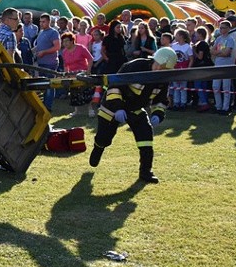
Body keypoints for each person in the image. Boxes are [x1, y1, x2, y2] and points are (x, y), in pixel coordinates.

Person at [89, 46, 177, 184]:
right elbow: (114, 87)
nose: (159, 70)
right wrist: (118, 108)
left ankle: (146, 172)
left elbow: (160, 100)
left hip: (135, 108)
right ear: (153, 60)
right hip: (113, 106)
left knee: (146, 137)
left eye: (163, 69)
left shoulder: (163, 78)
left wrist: (158, 114)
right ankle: (98, 148)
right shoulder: (135, 66)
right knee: (104, 137)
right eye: (158, 66)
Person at [61, 32, 94, 117]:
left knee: (86, 91)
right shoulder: (64, 52)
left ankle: (90, 109)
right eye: (63, 41)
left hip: (83, 74)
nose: (65, 43)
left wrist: (88, 70)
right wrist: (66, 75)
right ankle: (76, 110)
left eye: (67, 41)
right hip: (72, 75)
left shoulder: (81, 48)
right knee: (74, 92)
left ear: (72, 41)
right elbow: (65, 65)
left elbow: (90, 58)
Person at [33, 13, 61, 112]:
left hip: (50, 63)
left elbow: (57, 47)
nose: (41, 23)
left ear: (49, 22)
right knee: (43, 85)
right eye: (40, 21)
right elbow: (40, 45)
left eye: (43, 22)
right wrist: (33, 50)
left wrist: (44, 52)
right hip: (41, 62)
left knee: (49, 84)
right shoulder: (41, 32)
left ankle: (48, 106)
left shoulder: (53, 32)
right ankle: (44, 104)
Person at [211, 20, 236, 115]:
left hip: (226, 65)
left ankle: (226, 108)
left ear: (228, 29)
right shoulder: (218, 39)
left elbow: (227, 53)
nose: (221, 29)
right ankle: (218, 106)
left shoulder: (230, 39)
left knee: (226, 87)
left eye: (223, 27)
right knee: (215, 86)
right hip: (217, 65)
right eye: (220, 27)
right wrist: (219, 53)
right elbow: (212, 51)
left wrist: (218, 53)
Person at [169, 29, 193, 110]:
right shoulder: (173, 45)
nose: (175, 36)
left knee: (183, 87)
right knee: (175, 86)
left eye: (177, 35)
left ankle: (183, 103)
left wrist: (188, 68)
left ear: (181, 36)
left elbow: (191, 59)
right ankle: (176, 103)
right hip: (175, 68)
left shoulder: (187, 47)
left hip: (184, 68)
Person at [191, 26, 214, 112]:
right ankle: (204, 102)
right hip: (206, 67)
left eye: (196, 33)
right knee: (204, 85)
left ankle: (204, 102)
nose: (195, 35)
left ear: (200, 34)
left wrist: (194, 50)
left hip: (201, 67)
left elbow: (200, 57)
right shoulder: (204, 43)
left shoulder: (202, 44)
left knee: (198, 85)